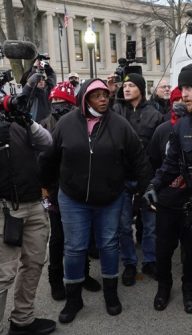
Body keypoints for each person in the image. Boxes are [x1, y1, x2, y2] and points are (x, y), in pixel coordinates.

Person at [39, 78, 151, 323]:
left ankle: (111, 294)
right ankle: (73, 299)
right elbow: (49, 157)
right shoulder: (66, 124)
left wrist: (147, 188)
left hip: (110, 198)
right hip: (72, 198)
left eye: (105, 94)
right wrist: (46, 186)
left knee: (109, 245)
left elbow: (139, 158)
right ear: (84, 98)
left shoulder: (120, 125)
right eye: (96, 95)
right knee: (75, 247)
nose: (103, 98)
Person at [145, 63, 192, 315]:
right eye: (181, 87)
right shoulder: (181, 125)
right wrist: (155, 184)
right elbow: (171, 163)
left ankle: (188, 289)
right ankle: (163, 287)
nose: (183, 93)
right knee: (163, 249)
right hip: (170, 203)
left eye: (189, 87)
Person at [40, 82, 101, 301]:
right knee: (58, 238)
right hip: (55, 191)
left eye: (62, 102)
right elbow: (42, 162)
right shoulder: (43, 125)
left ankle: (82, 274)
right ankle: (55, 279)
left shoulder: (83, 124)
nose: (57, 106)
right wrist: (46, 190)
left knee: (80, 236)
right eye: (54, 101)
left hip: (78, 189)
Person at [0, 104, 56, 334]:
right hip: (5, 208)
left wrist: (27, 121)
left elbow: (47, 143)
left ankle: (22, 320)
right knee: (3, 274)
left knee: (34, 263)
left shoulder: (15, 121)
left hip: (34, 204)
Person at [113, 73, 164, 286]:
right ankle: (130, 263)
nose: (126, 89)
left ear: (141, 89)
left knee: (151, 224)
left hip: (147, 177)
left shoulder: (154, 114)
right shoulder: (115, 111)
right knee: (124, 225)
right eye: (124, 85)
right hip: (121, 177)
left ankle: (150, 261)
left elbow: (159, 148)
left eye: (131, 85)